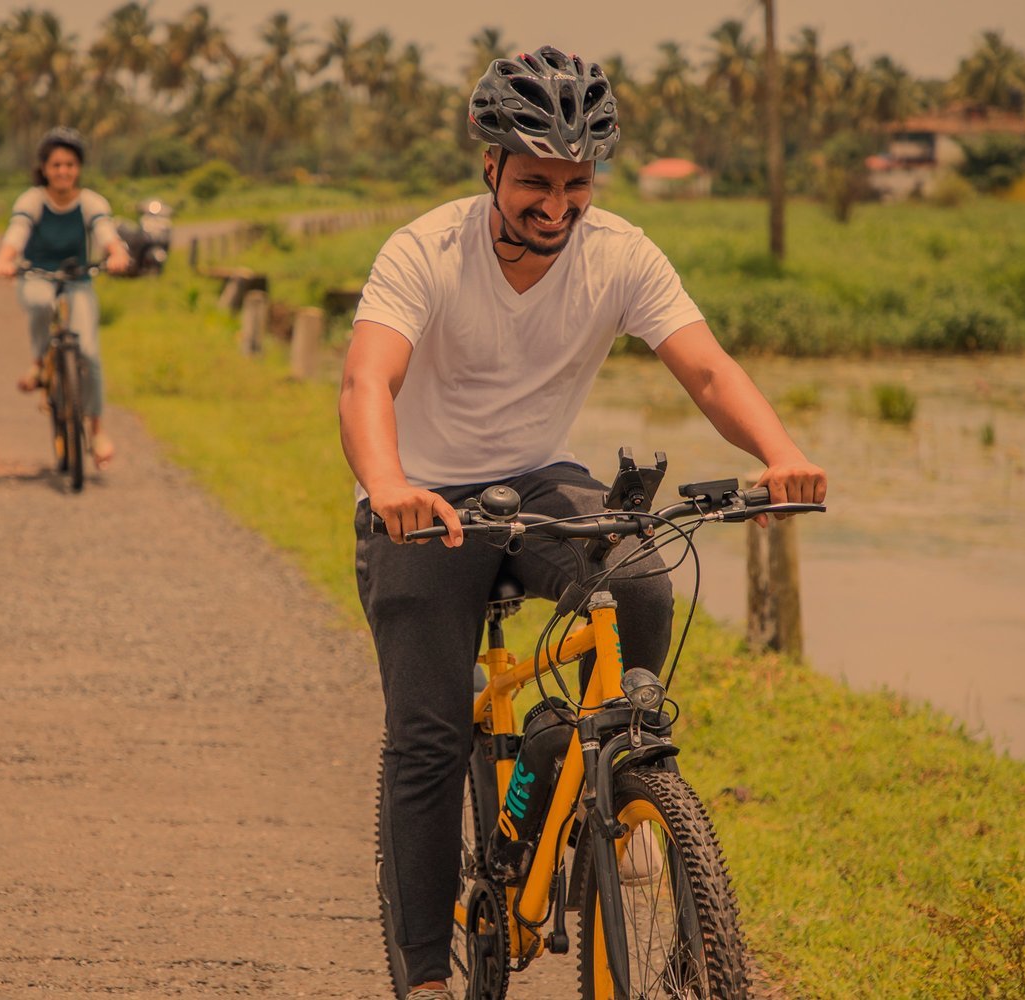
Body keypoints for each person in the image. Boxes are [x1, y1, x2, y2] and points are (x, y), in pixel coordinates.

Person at [338, 46, 827, 999]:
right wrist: (390, 482)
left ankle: (604, 767)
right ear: (490, 166)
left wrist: (780, 454)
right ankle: (424, 979)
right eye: (533, 182)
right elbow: (368, 378)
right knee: (430, 739)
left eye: (575, 183)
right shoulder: (424, 250)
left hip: (538, 482)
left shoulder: (621, 254)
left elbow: (709, 369)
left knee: (640, 575)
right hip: (424, 499)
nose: (555, 206)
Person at [0, 126, 132, 468]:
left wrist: (116, 254)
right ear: (44, 168)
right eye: (56, 165)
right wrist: (4, 259)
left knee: (89, 352)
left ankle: (96, 428)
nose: (63, 171)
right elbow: (17, 232)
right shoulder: (32, 200)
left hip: (78, 280)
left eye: (70, 164)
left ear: (79, 167)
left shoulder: (91, 202)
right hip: (36, 276)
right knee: (39, 303)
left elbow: (105, 233)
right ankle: (41, 364)